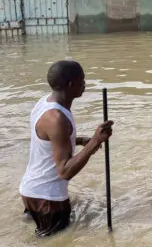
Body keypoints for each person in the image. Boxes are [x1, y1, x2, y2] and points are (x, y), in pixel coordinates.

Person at [19, 61, 114, 237]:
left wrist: (81, 140)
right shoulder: (57, 119)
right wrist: (94, 142)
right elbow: (65, 171)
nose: (85, 84)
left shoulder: (44, 103)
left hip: (31, 191)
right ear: (71, 84)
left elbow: (48, 141)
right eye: (82, 80)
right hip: (49, 200)